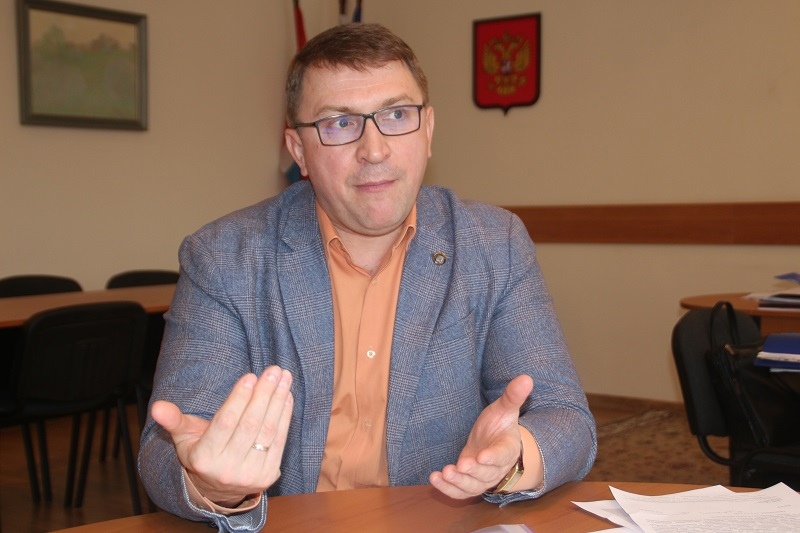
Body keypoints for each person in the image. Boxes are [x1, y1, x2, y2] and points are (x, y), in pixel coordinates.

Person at [138, 22, 596, 532]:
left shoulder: (493, 243)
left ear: (427, 130)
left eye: (397, 115)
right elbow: (167, 447)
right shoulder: (224, 257)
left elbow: (565, 417)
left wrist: (513, 457)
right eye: (339, 123)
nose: (374, 149)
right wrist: (215, 484)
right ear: (298, 150)